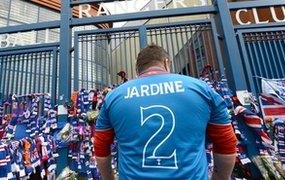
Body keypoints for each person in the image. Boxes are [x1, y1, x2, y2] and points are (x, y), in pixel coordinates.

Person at [94, 45, 237, 180]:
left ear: (138, 69)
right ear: (166, 62)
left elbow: (100, 148)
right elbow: (226, 143)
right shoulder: (201, 89)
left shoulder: (114, 97)